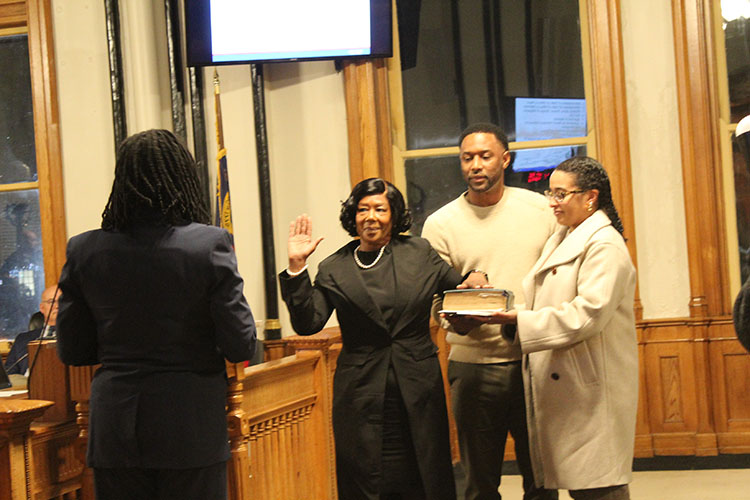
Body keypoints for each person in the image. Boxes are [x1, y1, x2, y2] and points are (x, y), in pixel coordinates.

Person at [56, 129, 257, 500]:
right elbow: (239, 341)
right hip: (190, 424)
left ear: (122, 179)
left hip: (116, 426)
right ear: (183, 176)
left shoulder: (84, 250)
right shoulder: (208, 244)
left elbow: (72, 351)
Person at [279, 178, 485, 500]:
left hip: (419, 390)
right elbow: (309, 323)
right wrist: (296, 268)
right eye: (362, 209)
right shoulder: (334, 268)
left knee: (425, 475)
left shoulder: (419, 253)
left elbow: (457, 287)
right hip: (361, 395)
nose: (370, 217)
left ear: (394, 214)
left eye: (379, 209)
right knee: (366, 480)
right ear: (353, 216)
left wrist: (475, 280)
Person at [476, 156, 638, 499]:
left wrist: (520, 320)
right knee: (584, 485)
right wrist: (509, 313)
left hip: (592, 390)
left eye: (561, 194)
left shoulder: (605, 244)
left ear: (590, 197)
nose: (552, 202)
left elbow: (587, 315)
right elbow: (550, 305)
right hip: (571, 388)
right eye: (550, 192)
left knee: (600, 486)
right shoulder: (565, 236)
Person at [421, 123, 558, 500]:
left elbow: (558, 284)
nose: (476, 165)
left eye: (485, 156)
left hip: (535, 361)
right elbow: (436, 304)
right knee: (479, 485)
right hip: (473, 367)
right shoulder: (440, 224)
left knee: (543, 480)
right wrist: (460, 312)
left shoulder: (541, 210)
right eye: (467, 158)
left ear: (505, 159)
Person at [5, 285, 59, 376]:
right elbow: (10, 375)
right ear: (42, 308)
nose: (57, 306)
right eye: (52, 302)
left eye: (63, 301)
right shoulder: (22, 340)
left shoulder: (82, 337)